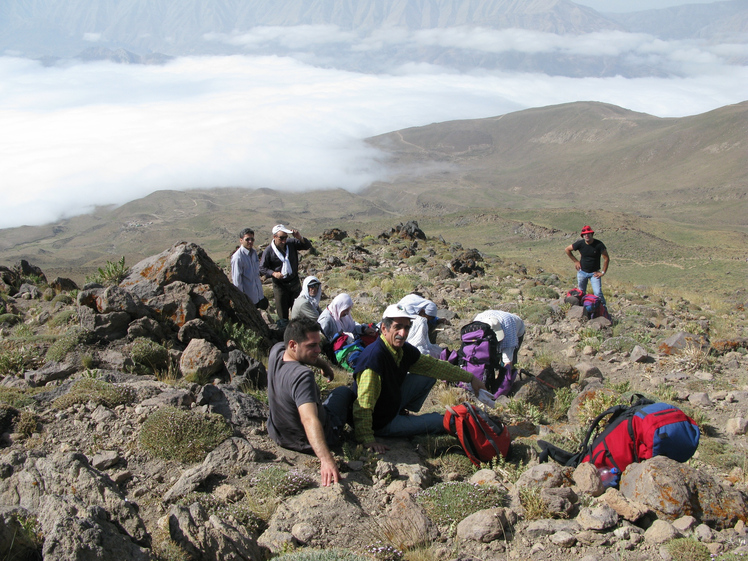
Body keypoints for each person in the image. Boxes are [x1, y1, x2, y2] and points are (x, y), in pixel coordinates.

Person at [352, 304, 487, 453]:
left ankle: (402, 412)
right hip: (381, 422)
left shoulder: (402, 349)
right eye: (398, 327)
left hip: (390, 404)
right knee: (440, 421)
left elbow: (432, 366)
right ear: (384, 328)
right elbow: (363, 404)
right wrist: (367, 439)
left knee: (427, 375)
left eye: (407, 327)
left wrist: (470, 378)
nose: (403, 333)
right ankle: (401, 422)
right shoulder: (374, 359)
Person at [266, 318, 355, 486]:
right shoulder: (302, 376)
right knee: (343, 392)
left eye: (318, 344)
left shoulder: (276, 350)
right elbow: (309, 419)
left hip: (278, 434)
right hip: (306, 441)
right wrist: (326, 460)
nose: (318, 350)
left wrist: (324, 365)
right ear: (293, 345)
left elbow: (306, 356)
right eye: (311, 346)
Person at [259, 224, 312, 327]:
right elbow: (262, 268)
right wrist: (273, 273)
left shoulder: (291, 243)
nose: (284, 241)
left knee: (299, 310)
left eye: (285, 237)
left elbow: (307, 246)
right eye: (281, 238)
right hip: (280, 286)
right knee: (283, 315)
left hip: (294, 282)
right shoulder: (269, 251)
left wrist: (299, 237)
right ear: (274, 237)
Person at [472, 309, 525, 376]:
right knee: (491, 357)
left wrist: (503, 379)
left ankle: (507, 379)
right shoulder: (477, 322)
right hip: (496, 318)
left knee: (508, 363)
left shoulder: (509, 334)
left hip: (516, 330)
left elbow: (508, 362)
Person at [565, 225, 610, 303]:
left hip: (594, 273)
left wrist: (603, 272)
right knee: (581, 293)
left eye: (588, 233)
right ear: (582, 236)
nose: (587, 235)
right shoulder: (580, 244)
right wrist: (575, 261)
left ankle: (603, 310)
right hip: (582, 272)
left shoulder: (599, 244)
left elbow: (606, 258)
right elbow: (567, 249)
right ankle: (582, 309)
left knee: (598, 293)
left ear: (592, 234)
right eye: (585, 234)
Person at [230, 228, 268, 309]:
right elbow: (237, 282)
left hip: (259, 296)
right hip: (249, 300)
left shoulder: (254, 253)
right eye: (247, 239)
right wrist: (242, 300)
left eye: (252, 239)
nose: (250, 241)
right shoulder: (237, 257)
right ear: (241, 240)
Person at [396, 294, 443, 358]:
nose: (427, 321)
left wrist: (437, 320)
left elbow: (429, 317)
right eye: (427, 318)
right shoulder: (408, 309)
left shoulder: (420, 305)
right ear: (422, 311)